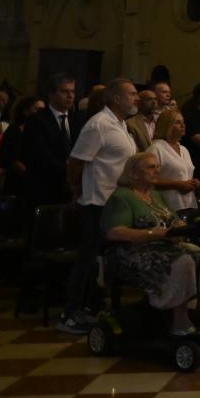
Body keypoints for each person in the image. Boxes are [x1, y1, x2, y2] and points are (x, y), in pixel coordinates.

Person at [58, 77, 139, 334]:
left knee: (108, 260)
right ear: (117, 99)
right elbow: (76, 162)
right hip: (97, 202)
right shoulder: (99, 125)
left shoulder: (122, 125)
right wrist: (76, 190)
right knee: (87, 259)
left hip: (117, 203)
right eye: (133, 94)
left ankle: (97, 307)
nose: (136, 98)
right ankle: (69, 314)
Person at [101, 151, 200, 335]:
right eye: (151, 167)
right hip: (130, 252)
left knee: (199, 255)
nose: (157, 171)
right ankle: (178, 319)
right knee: (182, 260)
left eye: (157, 167)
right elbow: (115, 232)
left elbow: (174, 219)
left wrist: (179, 227)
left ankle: (198, 312)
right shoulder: (122, 196)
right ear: (134, 173)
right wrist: (153, 234)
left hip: (161, 246)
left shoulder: (154, 194)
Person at [24, 73, 79, 210]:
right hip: (45, 187)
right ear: (51, 94)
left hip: (71, 188)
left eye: (72, 91)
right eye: (64, 91)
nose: (70, 96)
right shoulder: (36, 120)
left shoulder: (77, 119)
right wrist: (69, 169)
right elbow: (40, 154)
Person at [150, 109, 199, 213]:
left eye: (183, 122)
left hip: (189, 204)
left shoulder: (184, 149)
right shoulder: (156, 148)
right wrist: (177, 184)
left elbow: (186, 175)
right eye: (177, 122)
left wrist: (194, 183)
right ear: (167, 125)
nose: (183, 125)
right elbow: (149, 181)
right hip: (169, 206)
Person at [0, 95, 42, 201]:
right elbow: (11, 159)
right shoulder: (14, 131)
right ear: (25, 111)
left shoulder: (40, 132)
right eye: (36, 109)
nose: (41, 113)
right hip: (19, 184)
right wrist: (31, 176)